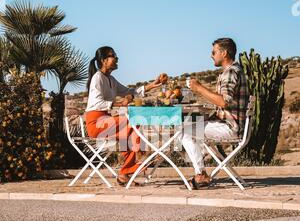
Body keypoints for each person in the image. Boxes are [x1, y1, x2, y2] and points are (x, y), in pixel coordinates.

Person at [85, 46, 164, 186]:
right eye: (113, 56)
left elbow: (130, 91)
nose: (117, 58)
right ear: (104, 60)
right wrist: (121, 103)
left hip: (106, 121)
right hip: (96, 123)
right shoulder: (98, 78)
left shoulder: (111, 79)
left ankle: (124, 173)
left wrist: (152, 85)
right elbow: (97, 103)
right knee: (131, 121)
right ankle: (139, 153)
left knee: (127, 135)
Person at [181, 38, 249, 189]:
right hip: (233, 124)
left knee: (185, 132)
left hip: (231, 128)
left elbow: (224, 102)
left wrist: (199, 88)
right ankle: (201, 173)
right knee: (192, 128)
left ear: (224, 53)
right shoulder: (234, 70)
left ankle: (200, 174)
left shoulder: (231, 72)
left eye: (214, 52)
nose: (211, 55)